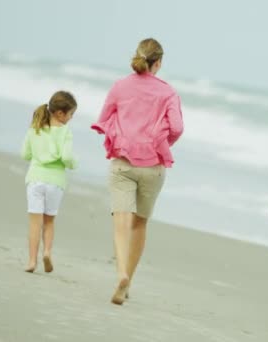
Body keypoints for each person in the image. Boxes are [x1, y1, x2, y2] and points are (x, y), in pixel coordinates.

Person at [91, 38, 184, 305]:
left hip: (122, 164)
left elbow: (104, 119)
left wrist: (118, 138)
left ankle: (120, 273)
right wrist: (162, 143)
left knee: (121, 222)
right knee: (140, 223)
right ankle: (127, 280)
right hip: (153, 167)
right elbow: (177, 127)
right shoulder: (169, 93)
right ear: (159, 63)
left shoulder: (120, 86)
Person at [21, 90, 77, 273]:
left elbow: (25, 155)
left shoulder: (34, 129)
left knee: (34, 222)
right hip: (55, 181)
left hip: (35, 179)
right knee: (49, 221)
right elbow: (67, 157)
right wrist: (73, 164)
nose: (70, 118)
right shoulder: (65, 131)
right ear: (60, 113)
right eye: (71, 114)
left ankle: (31, 261)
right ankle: (46, 252)